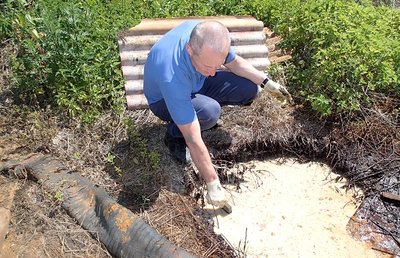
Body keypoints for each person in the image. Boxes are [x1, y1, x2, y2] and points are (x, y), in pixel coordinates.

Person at [143, 20, 292, 207]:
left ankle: (200, 101)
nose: (213, 73)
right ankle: (173, 135)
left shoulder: (209, 38)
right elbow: (193, 137)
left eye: (218, 65)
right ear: (189, 49)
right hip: (164, 100)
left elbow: (235, 63)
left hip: (195, 80)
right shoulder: (172, 76)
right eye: (208, 66)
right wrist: (213, 183)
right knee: (209, 112)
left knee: (249, 88)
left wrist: (266, 83)